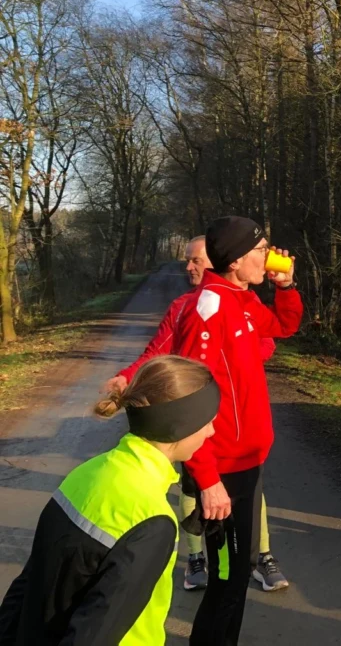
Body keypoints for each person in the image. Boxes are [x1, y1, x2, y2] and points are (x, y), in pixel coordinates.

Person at [103, 235, 288, 593]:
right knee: (196, 482)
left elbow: (267, 340)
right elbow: (156, 351)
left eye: (196, 260)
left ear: (219, 262)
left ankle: (262, 555)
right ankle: (196, 557)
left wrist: (239, 354)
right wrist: (127, 377)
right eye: (188, 260)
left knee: (250, 489)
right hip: (197, 422)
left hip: (240, 424)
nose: (188, 267)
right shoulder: (183, 306)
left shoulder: (240, 301)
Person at [0, 356, 218, 645]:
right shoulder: (152, 520)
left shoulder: (86, 472)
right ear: (180, 426)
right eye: (207, 422)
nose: (211, 431)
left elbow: (29, 581)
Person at [173, 216, 302, 646]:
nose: (269, 257)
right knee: (226, 580)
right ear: (234, 261)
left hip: (248, 464)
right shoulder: (208, 309)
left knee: (238, 573)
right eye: (261, 251)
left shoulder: (242, 298)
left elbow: (284, 327)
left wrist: (286, 286)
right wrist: (207, 480)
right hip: (222, 472)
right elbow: (188, 400)